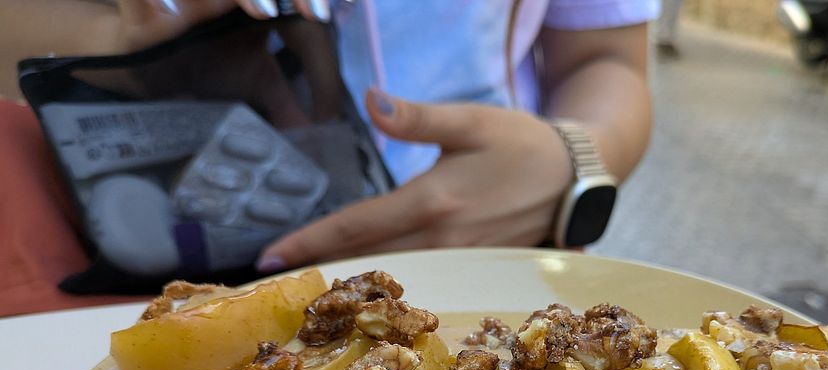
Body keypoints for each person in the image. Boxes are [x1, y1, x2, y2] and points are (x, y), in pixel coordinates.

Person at [0, 0, 655, 272]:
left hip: (492, 250)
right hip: (159, 253)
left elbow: (607, 58)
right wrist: (116, 41)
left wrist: (572, 159)